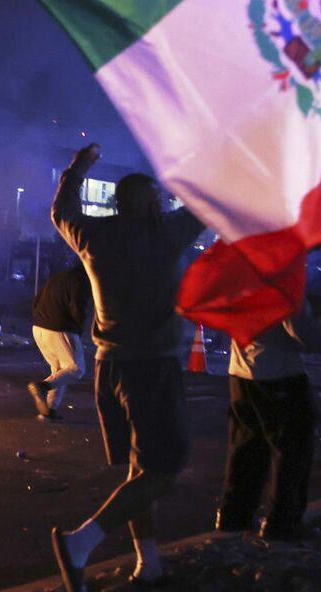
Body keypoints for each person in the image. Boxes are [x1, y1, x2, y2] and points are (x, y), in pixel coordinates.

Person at [48, 144, 206, 589]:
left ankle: (148, 563)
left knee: (141, 472)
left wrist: (78, 168)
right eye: (158, 199)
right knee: (164, 471)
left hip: (109, 368)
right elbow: (207, 203)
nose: (163, 205)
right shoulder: (166, 235)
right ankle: (81, 543)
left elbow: (61, 211)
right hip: (151, 370)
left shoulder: (93, 237)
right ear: (150, 204)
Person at [215, 311, 321, 541]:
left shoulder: (238, 288)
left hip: (240, 373)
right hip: (280, 375)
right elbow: (303, 334)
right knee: (291, 451)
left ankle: (233, 517)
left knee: (245, 449)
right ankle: (282, 523)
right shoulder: (283, 288)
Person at [28, 264, 91, 421]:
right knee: (76, 369)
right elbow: (77, 307)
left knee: (59, 370)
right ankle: (42, 387)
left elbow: (36, 301)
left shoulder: (57, 277)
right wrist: (78, 328)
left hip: (39, 327)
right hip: (60, 329)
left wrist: (41, 318)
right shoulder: (80, 281)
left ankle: (49, 410)